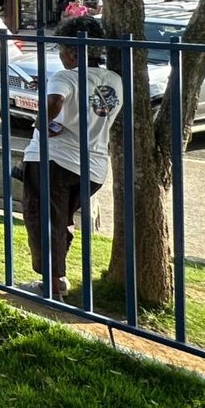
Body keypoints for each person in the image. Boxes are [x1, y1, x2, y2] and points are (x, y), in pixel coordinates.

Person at [16, 15, 123, 300]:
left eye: (62, 49)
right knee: (62, 221)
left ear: (75, 50)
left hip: (54, 161)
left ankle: (50, 289)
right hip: (93, 168)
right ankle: (57, 280)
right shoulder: (113, 80)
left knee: (43, 220)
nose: (60, 56)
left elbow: (54, 101)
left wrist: (42, 122)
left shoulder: (66, 77)